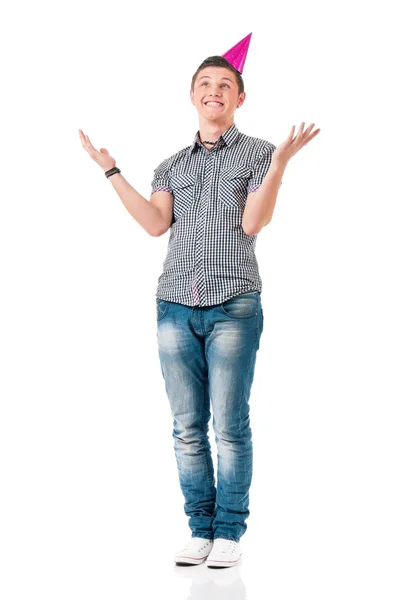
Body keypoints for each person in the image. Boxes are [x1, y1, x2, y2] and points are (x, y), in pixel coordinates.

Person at [79, 33, 320, 569]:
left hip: (234, 305)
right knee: (186, 426)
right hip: (174, 307)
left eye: (225, 85)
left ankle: (230, 532)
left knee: (229, 423)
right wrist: (111, 171)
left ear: (239, 99)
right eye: (206, 84)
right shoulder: (170, 165)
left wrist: (279, 165)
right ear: (193, 96)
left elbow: (254, 223)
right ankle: (200, 529)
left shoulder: (259, 153)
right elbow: (154, 225)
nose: (215, 91)